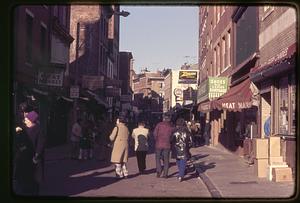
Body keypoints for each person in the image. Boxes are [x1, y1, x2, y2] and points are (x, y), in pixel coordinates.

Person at [17, 111, 45, 195]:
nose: (25, 121)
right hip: (25, 157)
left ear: (31, 121)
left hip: (33, 158)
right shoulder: (25, 128)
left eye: (26, 119)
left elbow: (40, 145)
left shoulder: (38, 130)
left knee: (34, 178)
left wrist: (36, 157)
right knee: (25, 177)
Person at [153, 113, 174, 178]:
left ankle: (159, 171)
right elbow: (172, 137)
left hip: (158, 144)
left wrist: (157, 140)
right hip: (167, 145)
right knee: (166, 159)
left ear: (164, 118)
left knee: (157, 158)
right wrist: (169, 141)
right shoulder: (171, 127)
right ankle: (165, 174)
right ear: (169, 119)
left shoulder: (159, 125)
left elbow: (154, 134)